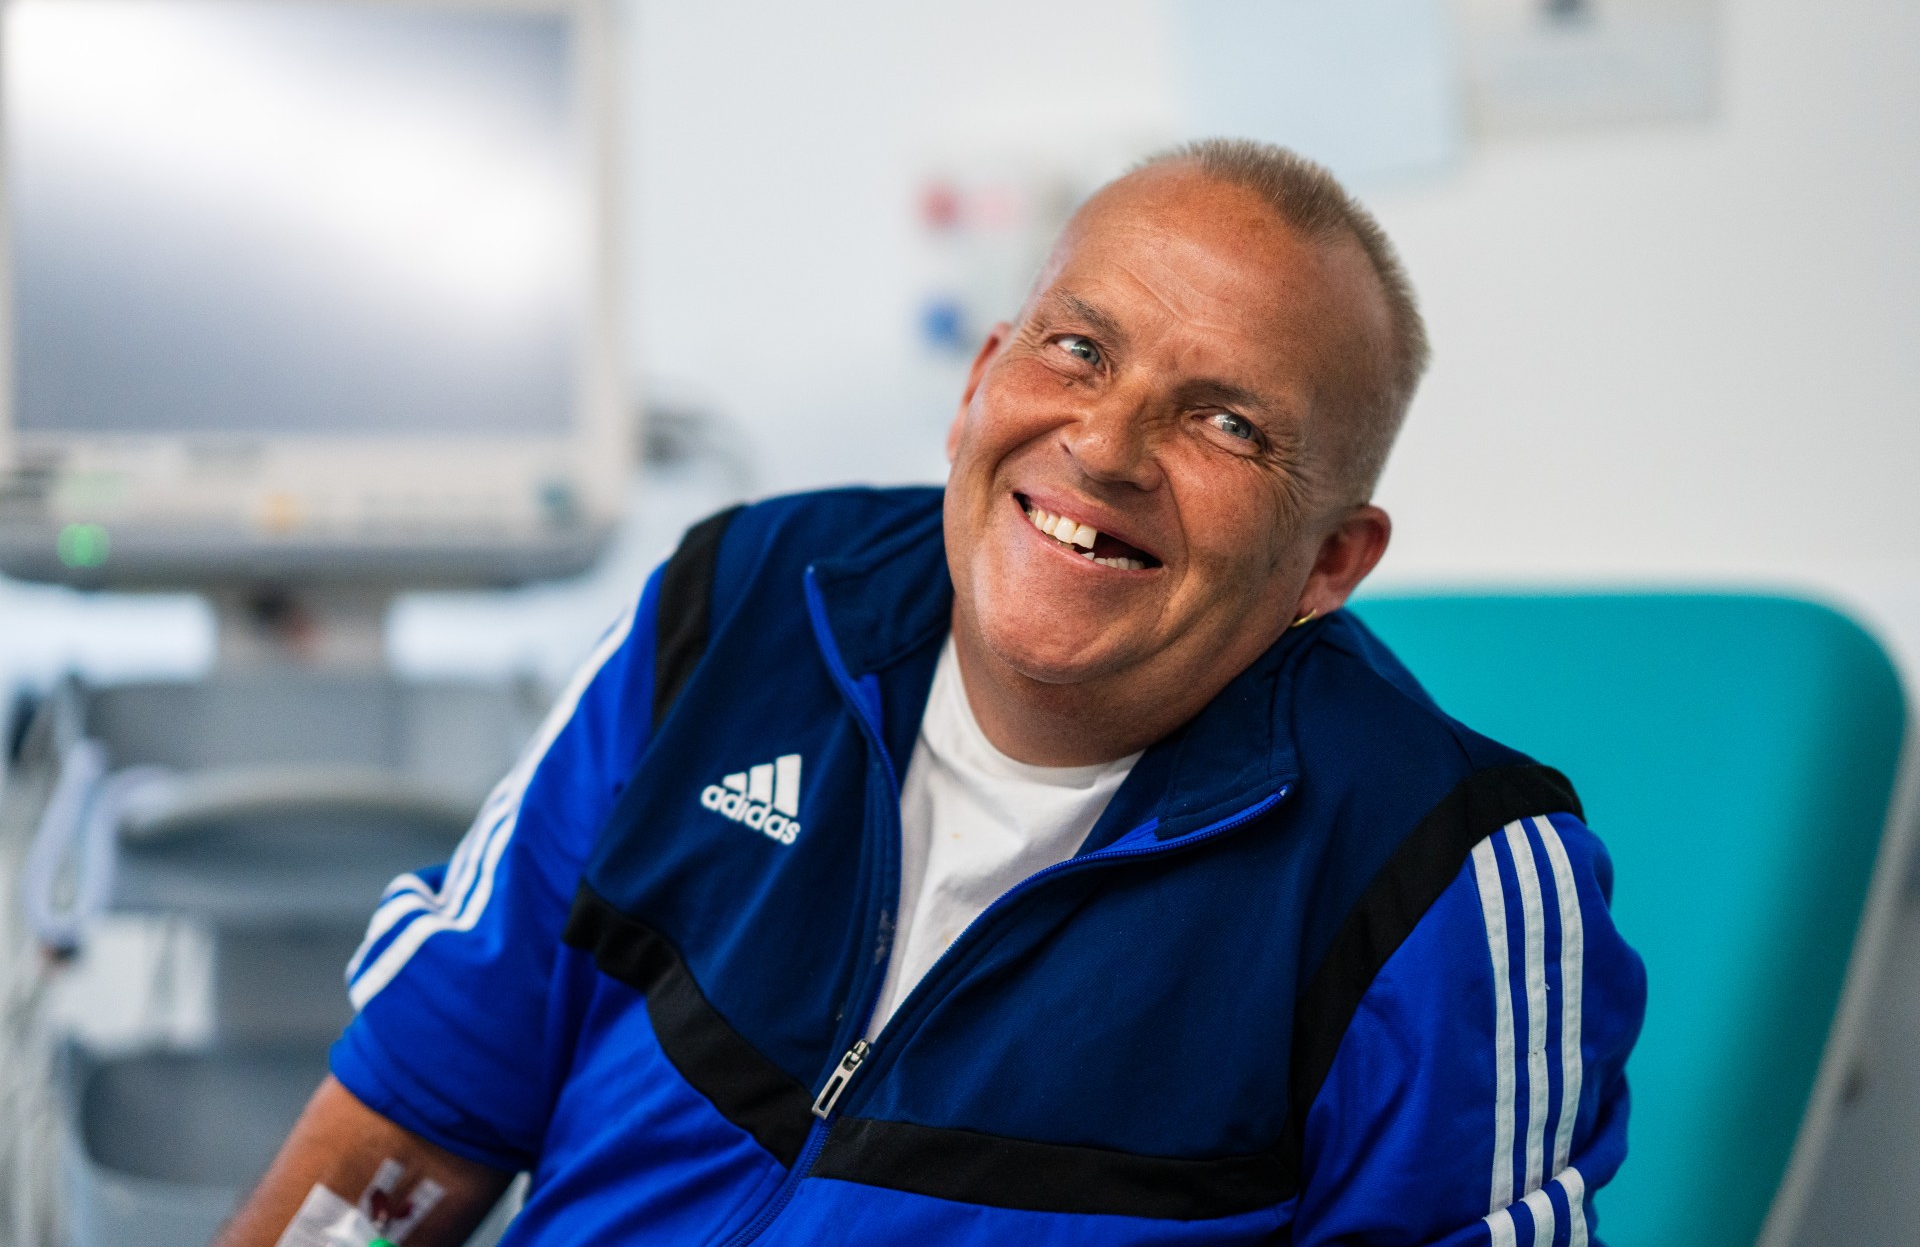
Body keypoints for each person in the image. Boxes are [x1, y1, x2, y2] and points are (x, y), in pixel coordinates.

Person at [220, 139, 1645, 1247]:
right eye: (1078, 349)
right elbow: (416, 1116)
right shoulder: (740, 610)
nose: (1106, 443)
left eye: (1225, 423)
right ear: (981, 384)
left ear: (1330, 561)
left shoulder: (1442, 879)